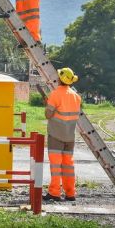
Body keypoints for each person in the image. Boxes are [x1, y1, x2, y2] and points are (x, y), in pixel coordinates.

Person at [43, 67, 82, 202]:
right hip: (70, 137)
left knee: (56, 166)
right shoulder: (76, 97)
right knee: (68, 167)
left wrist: (47, 105)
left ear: (59, 79)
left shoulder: (55, 94)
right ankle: (70, 193)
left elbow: (48, 114)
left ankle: (54, 192)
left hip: (56, 136)